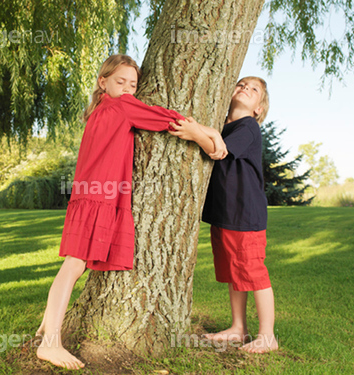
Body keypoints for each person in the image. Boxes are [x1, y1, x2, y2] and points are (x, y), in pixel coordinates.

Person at [36, 54, 224, 370]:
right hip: (99, 196)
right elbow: (164, 118)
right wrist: (207, 136)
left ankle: (46, 324)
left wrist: (206, 132)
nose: (127, 89)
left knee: (75, 264)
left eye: (133, 85)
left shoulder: (100, 110)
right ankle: (50, 342)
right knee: (73, 265)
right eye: (120, 82)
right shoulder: (121, 106)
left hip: (91, 194)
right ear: (103, 82)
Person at [169, 76, 279, 353]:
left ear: (259, 109)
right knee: (235, 273)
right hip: (225, 213)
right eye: (241, 84)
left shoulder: (248, 126)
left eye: (254, 90)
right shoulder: (223, 125)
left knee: (253, 272)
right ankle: (238, 327)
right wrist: (204, 131)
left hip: (245, 213)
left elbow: (219, 151)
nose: (245, 89)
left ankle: (268, 335)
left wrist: (195, 133)